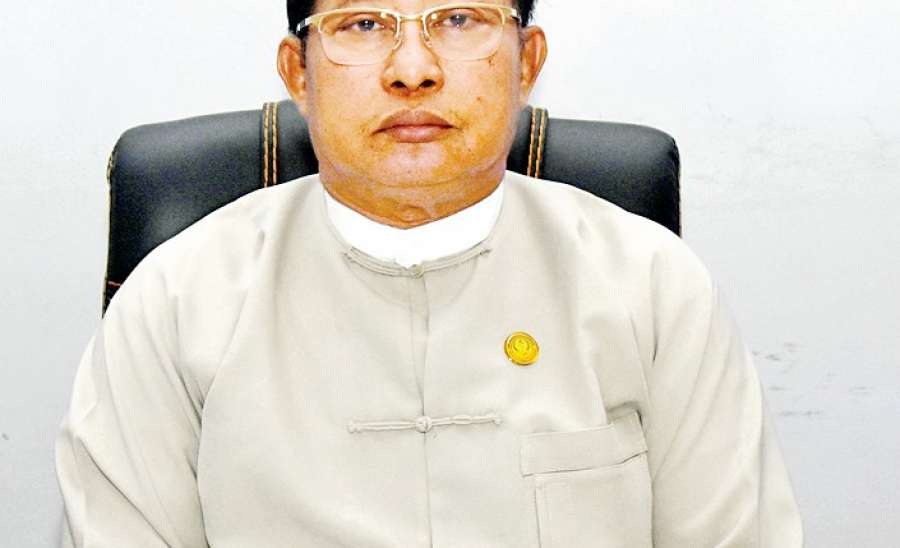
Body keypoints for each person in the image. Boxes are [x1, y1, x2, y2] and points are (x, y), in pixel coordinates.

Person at [56, 0, 804, 546]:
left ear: (527, 63)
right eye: (362, 25)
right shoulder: (175, 303)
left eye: (458, 20)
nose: (412, 70)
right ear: (298, 72)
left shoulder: (654, 287)